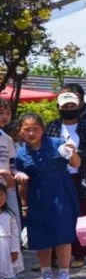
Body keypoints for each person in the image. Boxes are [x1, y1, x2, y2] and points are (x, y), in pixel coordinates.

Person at [13, 113, 80, 279]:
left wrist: (73, 152)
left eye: (35, 128)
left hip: (61, 194)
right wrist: (24, 204)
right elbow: (22, 184)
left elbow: (75, 164)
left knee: (63, 234)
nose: (31, 133)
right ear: (20, 132)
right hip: (37, 198)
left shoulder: (57, 144)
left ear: (42, 129)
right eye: (27, 129)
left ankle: (64, 274)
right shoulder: (21, 154)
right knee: (41, 236)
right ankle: (46, 274)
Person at [46, 87, 86, 265]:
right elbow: (46, 150)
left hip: (82, 176)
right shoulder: (52, 127)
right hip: (59, 177)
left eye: (72, 105)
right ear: (59, 107)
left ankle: (80, 254)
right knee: (58, 214)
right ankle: (54, 255)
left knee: (81, 214)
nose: (69, 109)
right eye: (65, 106)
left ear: (79, 106)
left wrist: (77, 154)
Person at [0, 184, 23, 279]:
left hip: (5, 251)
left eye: (1, 195)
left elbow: (14, 235)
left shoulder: (9, 216)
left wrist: (14, 250)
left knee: (8, 276)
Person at [0, 99, 21, 232]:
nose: (5, 116)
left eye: (8, 113)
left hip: (7, 186)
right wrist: (2, 172)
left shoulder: (7, 139)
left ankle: (15, 244)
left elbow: (12, 163)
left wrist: (16, 175)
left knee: (13, 219)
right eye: (1, 113)